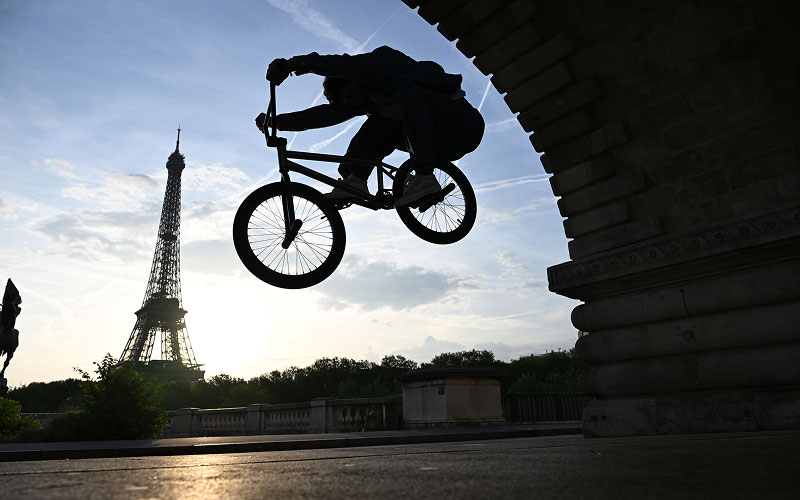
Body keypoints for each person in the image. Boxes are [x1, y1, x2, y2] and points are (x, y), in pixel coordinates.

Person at [255, 45, 484, 207]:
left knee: (413, 98)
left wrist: (292, 64)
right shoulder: (368, 99)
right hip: (438, 147)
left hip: (463, 126)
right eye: (348, 103)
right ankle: (355, 180)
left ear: (353, 79)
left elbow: (340, 63)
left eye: (350, 95)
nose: (354, 102)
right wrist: (277, 122)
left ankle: (424, 177)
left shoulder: (379, 64)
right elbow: (323, 116)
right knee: (373, 129)